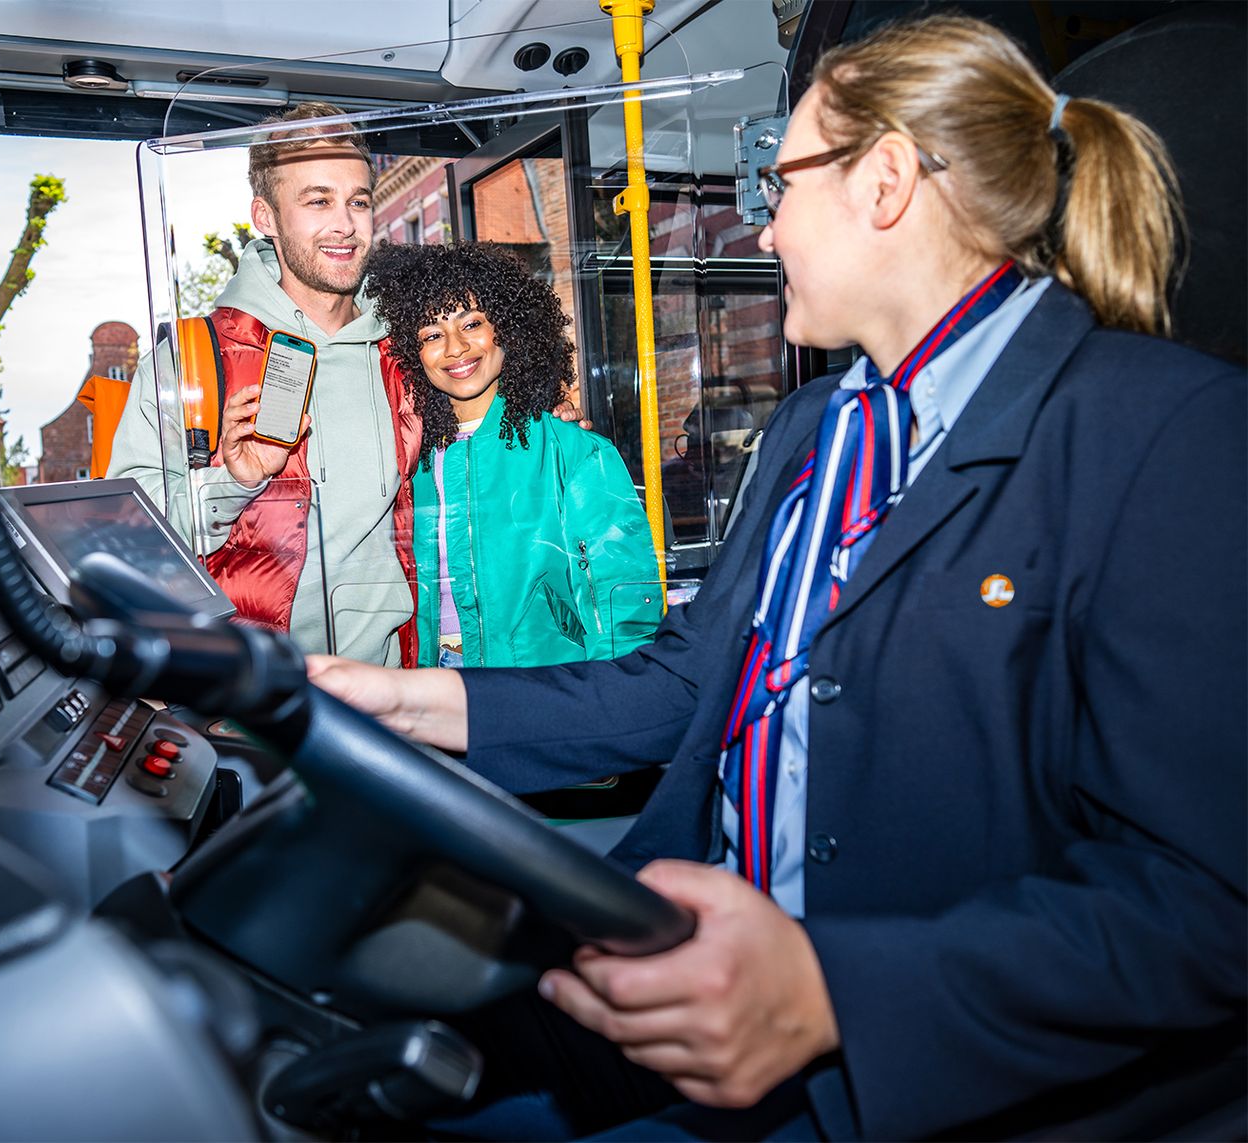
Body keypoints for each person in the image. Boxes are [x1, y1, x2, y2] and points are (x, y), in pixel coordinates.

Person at [309, 13, 1246, 1139]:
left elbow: (1207, 904)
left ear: (884, 183)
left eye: (780, 182)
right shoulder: (815, 426)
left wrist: (828, 993)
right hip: (687, 963)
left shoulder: (1166, 432)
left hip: (912, 1067)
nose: (763, 227)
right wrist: (409, 701)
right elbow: (686, 682)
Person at [109, 102, 423, 666]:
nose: (345, 225)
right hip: (251, 695)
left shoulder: (410, 350)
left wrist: (544, 418)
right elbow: (130, 540)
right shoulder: (191, 362)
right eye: (318, 200)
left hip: (393, 688)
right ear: (266, 216)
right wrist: (233, 481)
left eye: (358, 201)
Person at [365, 242, 661, 668]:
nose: (455, 348)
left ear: (509, 328)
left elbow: (623, 604)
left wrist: (612, 693)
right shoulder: (409, 459)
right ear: (413, 353)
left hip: (542, 681)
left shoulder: (572, 451)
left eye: (472, 324)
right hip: (429, 679)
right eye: (432, 334)